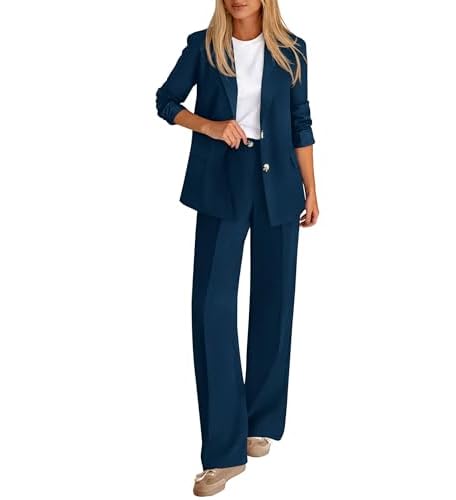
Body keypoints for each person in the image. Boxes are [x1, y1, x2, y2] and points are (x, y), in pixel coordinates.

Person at [155, 0, 319, 495]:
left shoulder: (292, 51)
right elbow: (166, 100)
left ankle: (259, 421)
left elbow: (301, 121)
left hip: (279, 184)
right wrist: (208, 125)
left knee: (275, 301)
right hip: (221, 181)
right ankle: (223, 453)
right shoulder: (202, 47)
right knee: (212, 307)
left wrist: (312, 189)